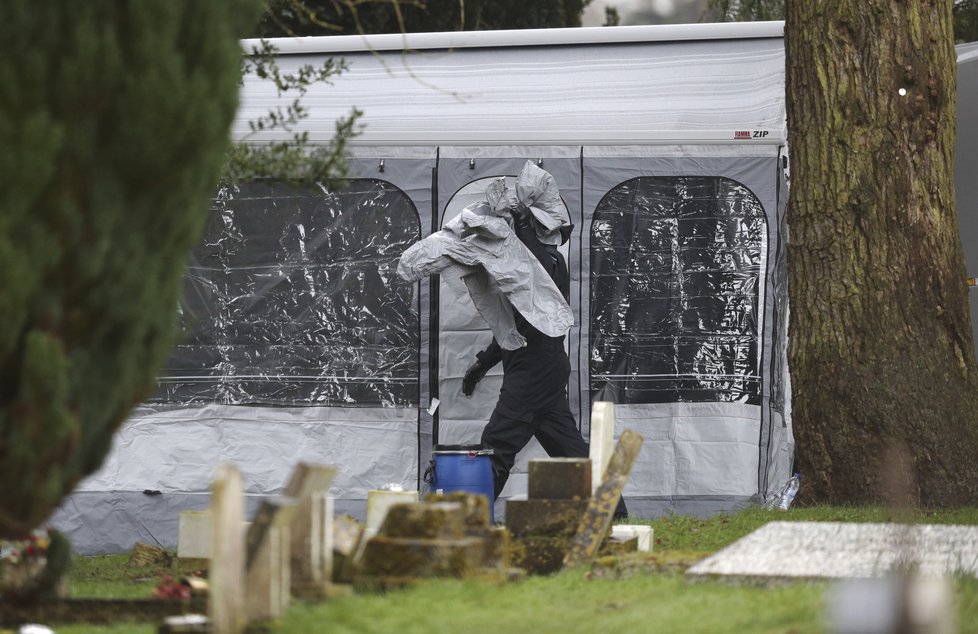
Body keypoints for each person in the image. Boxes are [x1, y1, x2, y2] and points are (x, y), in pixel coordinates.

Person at [462, 199, 628, 519]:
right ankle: (617, 515)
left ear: (536, 230)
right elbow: (514, 332)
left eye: (526, 227)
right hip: (541, 367)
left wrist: (523, 225)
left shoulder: (549, 262)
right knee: (570, 452)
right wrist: (481, 364)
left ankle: (471, 523)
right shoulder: (524, 269)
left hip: (535, 369)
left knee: (497, 445)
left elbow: (535, 267)